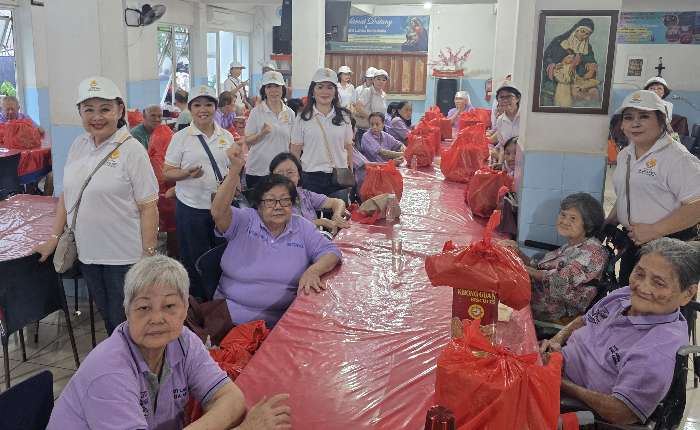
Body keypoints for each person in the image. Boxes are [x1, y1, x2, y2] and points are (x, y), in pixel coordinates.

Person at [47, 255, 292, 430]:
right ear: (127, 311)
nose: (157, 318)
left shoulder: (184, 342)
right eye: (144, 307)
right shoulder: (108, 372)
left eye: (169, 306)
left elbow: (231, 399)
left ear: (185, 309)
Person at [33, 76, 159, 335]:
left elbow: (149, 206)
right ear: (80, 112)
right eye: (88, 109)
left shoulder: (132, 151)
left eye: (105, 109)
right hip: (88, 254)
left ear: (120, 110)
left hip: (124, 257)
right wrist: (53, 238)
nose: (97, 117)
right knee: (109, 318)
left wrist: (147, 256)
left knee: (126, 322)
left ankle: (134, 359)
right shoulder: (79, 145)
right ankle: (120, 357)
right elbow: (67, 196)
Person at [542, 238, 700, 425]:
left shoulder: (659, 347)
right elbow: (584, 320)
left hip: (570, 406)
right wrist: (556, 340)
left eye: (658, 283)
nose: (642, 287)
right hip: (553, 367)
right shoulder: (624, 294)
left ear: (688, 294)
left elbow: (622, 412)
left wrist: (559, 381)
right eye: (639, 274)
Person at [211, 149, 342, 328]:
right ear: (259, 204)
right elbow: (218, 212)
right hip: (229, 319)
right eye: (270, 201)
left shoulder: (301, 226)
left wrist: (313, 271)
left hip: (279, 324)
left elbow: (331, 251)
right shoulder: (244, 220)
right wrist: (234, 171)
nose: (278, 206)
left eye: (285, 200)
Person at [606, 90, 700, 286]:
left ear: (661, 121)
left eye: (644, 116)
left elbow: (696, 205)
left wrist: (654, 230)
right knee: (629, 292)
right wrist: (611, 221)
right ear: (622, 124)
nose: (635, 123)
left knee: (658, 299)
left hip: (670, 247)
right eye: (628, 117)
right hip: (634, 240)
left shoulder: (677, 158)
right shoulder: (625, 155)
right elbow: (628, 193)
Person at [163, 85, 238, 300]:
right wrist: (185, 174)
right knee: (193, 260)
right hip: (191, 209)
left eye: (208, 105)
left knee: (223, 256)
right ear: (190, 109)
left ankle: (219, 303)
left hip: (221, 209)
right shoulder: (181, 137)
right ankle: (198, 305)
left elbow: (231, 168)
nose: (203, 110)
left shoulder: (226, 136)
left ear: (215, 107)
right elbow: (167, 172)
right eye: (197, 105)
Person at [505, 193, 607, 321]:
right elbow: (539, 267)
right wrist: (517, 253)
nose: (564, 221)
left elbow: (559, 281)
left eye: (573, 218)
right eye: (563, 215)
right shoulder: (572, 245)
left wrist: (518, 266)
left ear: (588, 224)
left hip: (555, 311)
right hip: (535, 294)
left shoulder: (593, 253)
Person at [291, 67, 354, 198]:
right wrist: (294, 175)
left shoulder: (345, 116)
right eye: (320, 87)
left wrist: (351, 172)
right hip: (311, 177)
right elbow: (295, 150)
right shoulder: (303, 117)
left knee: (338, 211)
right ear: (313, 91)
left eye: (329, 87)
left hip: (339, 177)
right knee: (312, 212)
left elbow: (348, 147)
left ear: (335, 92)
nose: (325, 92)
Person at [270, 152, 349, 235]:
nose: (285, 177)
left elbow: (337, 202)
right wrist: (319, 222)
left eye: (290, 172)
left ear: (298, 175)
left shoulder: (304, 194)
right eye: (280, 173)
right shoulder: (269, 202)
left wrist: (337, 215)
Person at [244, 71, 294, 191]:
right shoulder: (256, 112)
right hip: (258, 171)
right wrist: (261, 133)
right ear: (264, 90)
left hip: (281, 171)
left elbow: (292, 143)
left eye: (277, 86)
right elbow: (248, 141)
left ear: (282, 89)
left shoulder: (290, 113)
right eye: (269, 86)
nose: (273, 90)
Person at [541, 18, 600, 107]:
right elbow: (546, 58)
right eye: (582, 31)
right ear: (576, 29)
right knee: (570, 93)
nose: (583, 35)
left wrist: (591, 67)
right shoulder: (559, 41)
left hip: (579, 78)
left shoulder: (587, 47)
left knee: (594, 92)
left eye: (587, 34)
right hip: (561, 76)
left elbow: (591, 61)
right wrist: (555, 65)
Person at [488, 83, 521, 155]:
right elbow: (502, 145)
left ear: (517, 98)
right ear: (498, 101)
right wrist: (500, 161)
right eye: (501, 97)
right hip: (508, 158)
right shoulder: (500, 121)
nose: (505, 100)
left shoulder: (524, 117)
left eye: (509, 96)